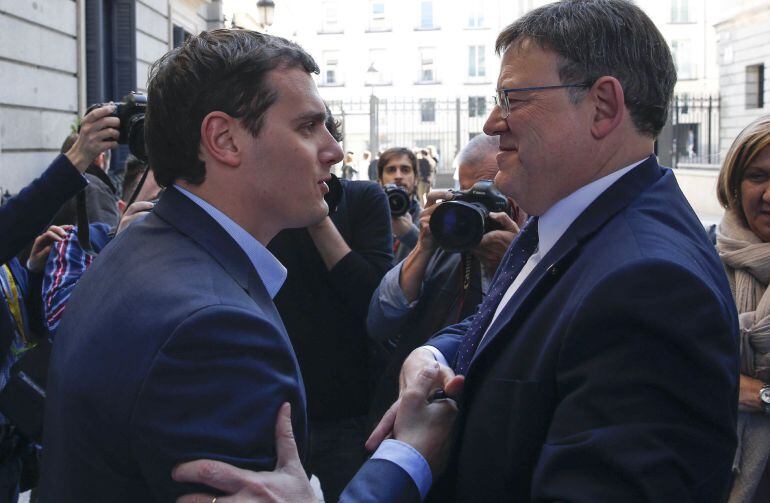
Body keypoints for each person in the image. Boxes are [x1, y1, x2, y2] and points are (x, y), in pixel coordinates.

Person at [175, 1, 741, 501]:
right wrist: (437, 353)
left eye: (512, 99)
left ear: (602, 107)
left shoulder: (649, 283)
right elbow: (505, 322)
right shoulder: (573, 224)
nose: (493, 124)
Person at [39, 29, 452, 502]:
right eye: (306, 127)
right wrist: (410, 456)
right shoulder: (214, 328)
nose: (334, 150)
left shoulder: (140, 249)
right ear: (224, 139)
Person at [267, 110, 393, 500]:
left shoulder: (363, 199)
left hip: (346, 411)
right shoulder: (264, 208)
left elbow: (373, 301)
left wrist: (317, 215)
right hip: (274, 408)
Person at [0, 104, 118, 502]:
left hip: (11, 449)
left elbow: (28, 326)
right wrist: (78, 157)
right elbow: (12, 222)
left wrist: (33, 271)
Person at [367, 134, 524, 424]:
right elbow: (380, 321)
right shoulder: (444, 248)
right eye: (469, 197)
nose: (480, 212)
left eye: (493, 199)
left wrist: (513, 264)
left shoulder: (537, 254)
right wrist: (424, 246)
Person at [714, 115, 770, 502]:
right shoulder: (698, 259)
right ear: (734, 184)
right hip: (712, 468)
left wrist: (759, 394)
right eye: (758, 176)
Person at [42, 157, 162, 335]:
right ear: (122, 208)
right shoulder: (82, 242)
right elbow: (60, 324)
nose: (167, 215)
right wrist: (122, 250)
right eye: (155, 204)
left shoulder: (187, 255)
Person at [378, 147, 422, 263]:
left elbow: (440, 261)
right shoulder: (367, 220)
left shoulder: (427, 222)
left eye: (405, 170)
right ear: (380, 180)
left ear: (416, 179)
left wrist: (410, 234)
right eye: (391, 170)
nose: (398, 176)